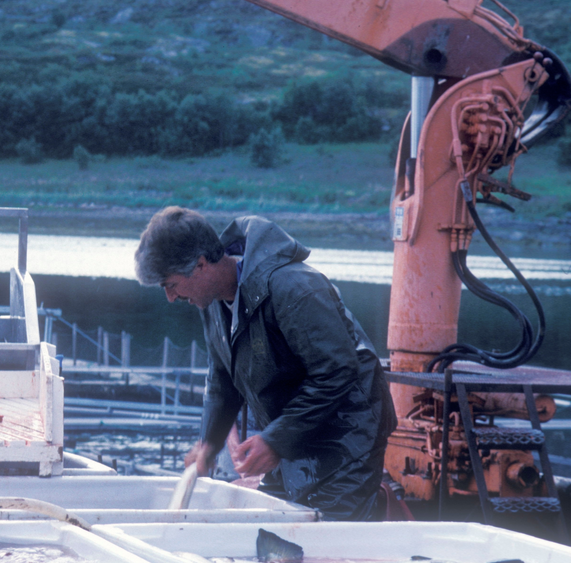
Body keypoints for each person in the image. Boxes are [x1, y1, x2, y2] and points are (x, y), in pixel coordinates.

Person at [134, 206, 396, 521]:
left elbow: (337, 372)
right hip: (296, 438)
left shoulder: (293, 286)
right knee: (268, 530)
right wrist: (209, 444)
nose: (171, 298)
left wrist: (275, 440)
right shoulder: (212, 303)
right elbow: (222, 381)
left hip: (349, 436)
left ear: (201, 265)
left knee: (326, 542)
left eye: (171, 284)